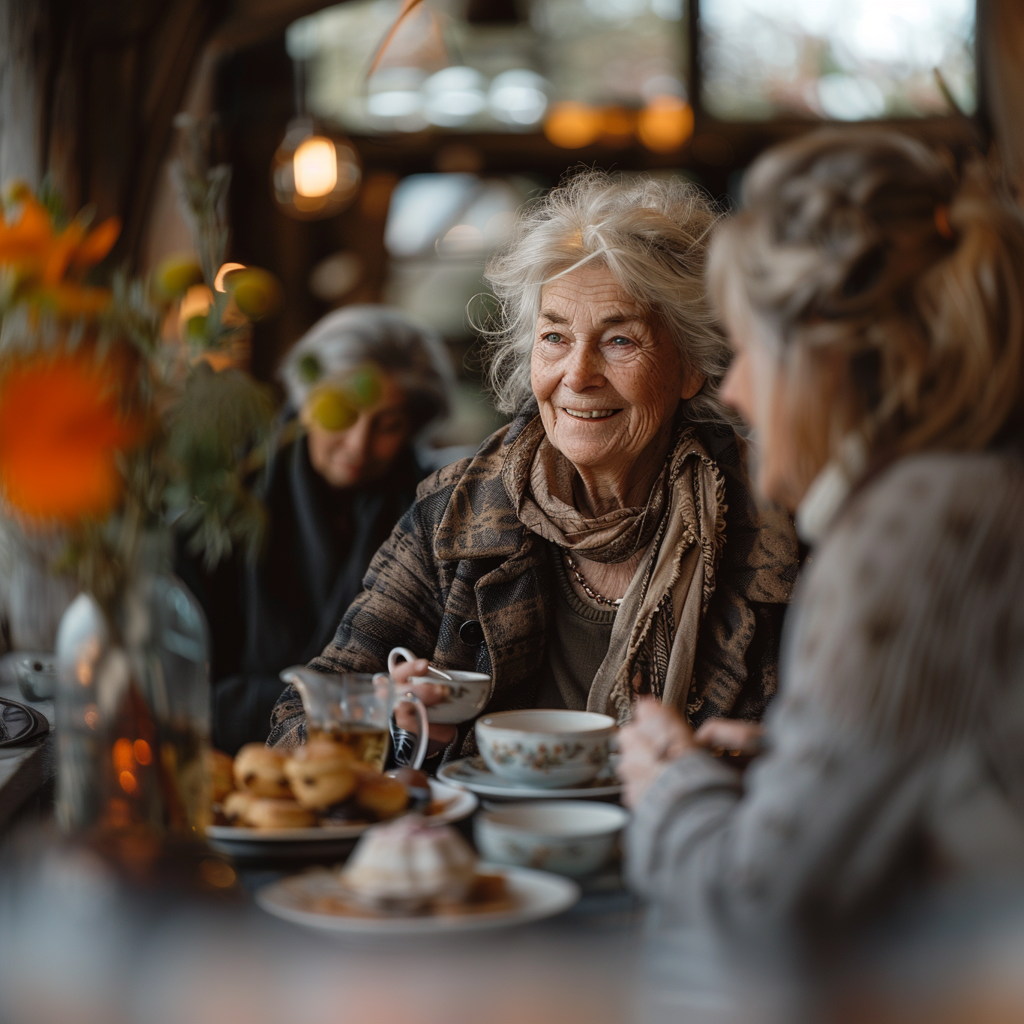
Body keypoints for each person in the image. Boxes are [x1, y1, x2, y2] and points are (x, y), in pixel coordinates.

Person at [619, 129, 1024, 1007]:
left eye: (750, 350)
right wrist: (789, 775)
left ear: (827, 357)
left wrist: (670, 789)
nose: (733, 390)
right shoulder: (976, 492)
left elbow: (765, 917)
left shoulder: (920, 531)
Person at [269, 171, 799, 753]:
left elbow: (843, 761)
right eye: (554, 337)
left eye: (620, 340)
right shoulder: (455, 515)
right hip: (482, 842)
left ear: (692, 365)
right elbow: (298, 720)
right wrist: (393, 725)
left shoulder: (771, 529)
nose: (577, 375)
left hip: (684, 838)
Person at [207, 305, 454, 753]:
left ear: (414, 425)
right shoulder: (228, 494)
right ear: (305, 400)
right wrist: (359, 703)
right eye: (344, 413)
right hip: (232, 758)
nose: (358, 443)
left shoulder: (435, 513)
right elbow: (191, 687)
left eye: (388, 424)